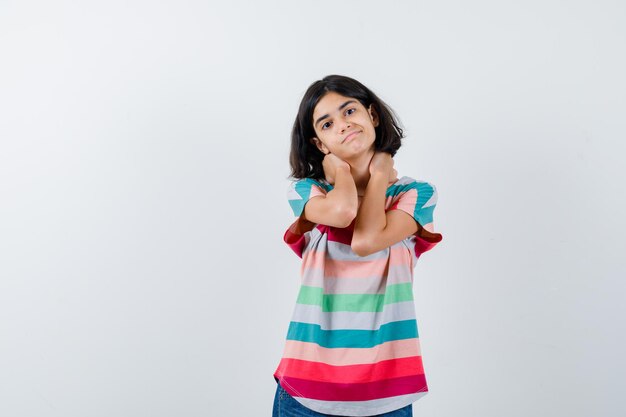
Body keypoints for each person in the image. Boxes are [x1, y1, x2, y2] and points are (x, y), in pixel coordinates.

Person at [272, 75, 443, 417]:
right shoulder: (308, 193)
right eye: (327, 123)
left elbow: (366, 240)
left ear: (372, 115)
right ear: (319, 144)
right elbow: (343, 211)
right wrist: (343, 174)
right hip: (306, 388)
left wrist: (379, 176)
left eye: (349, 110)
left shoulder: (415, 194)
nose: (343, 124)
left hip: (387, 391)